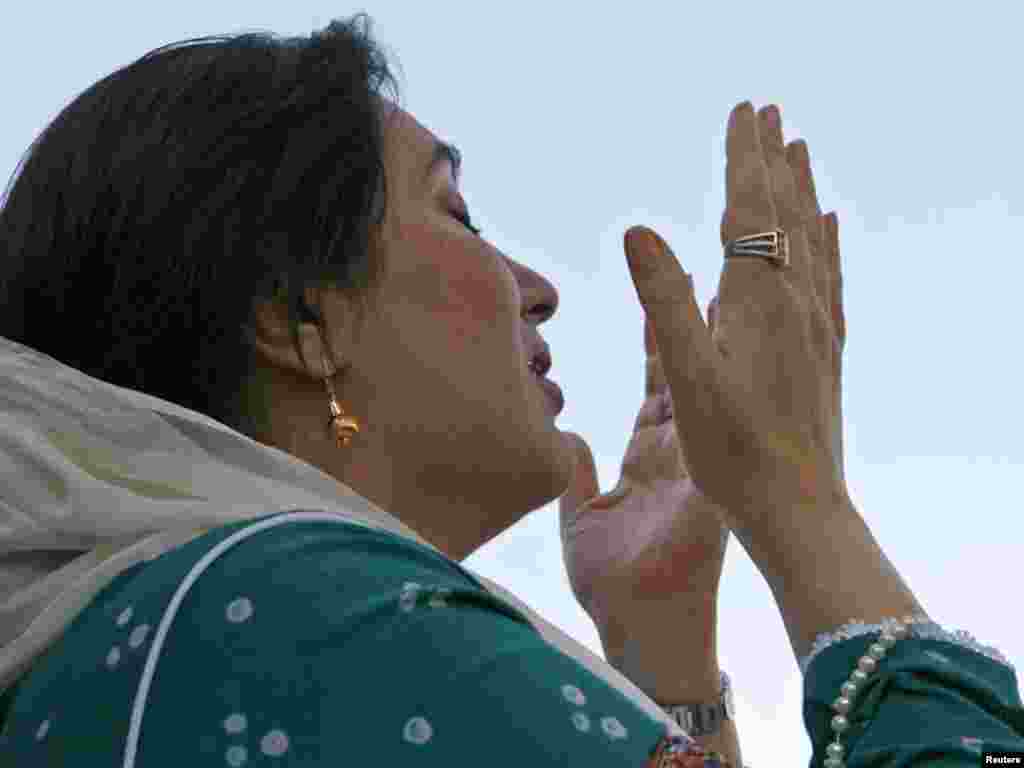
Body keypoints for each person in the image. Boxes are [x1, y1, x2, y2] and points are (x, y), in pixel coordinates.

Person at [0, 14, 1021, 767]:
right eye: (459, 213)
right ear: (297, 316)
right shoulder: (301, 612)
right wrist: (802, 503)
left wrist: (659, 644)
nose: (534, 292)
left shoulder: (191, 622)